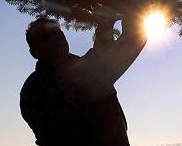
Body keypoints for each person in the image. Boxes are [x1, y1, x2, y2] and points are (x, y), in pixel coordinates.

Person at [19, 12, 147, 146]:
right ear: (34, 52)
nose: (55, 39)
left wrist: (127, 13)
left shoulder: (86, 69)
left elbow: (133, 40)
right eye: (45, 38)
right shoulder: (33, 89)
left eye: (57, 33)